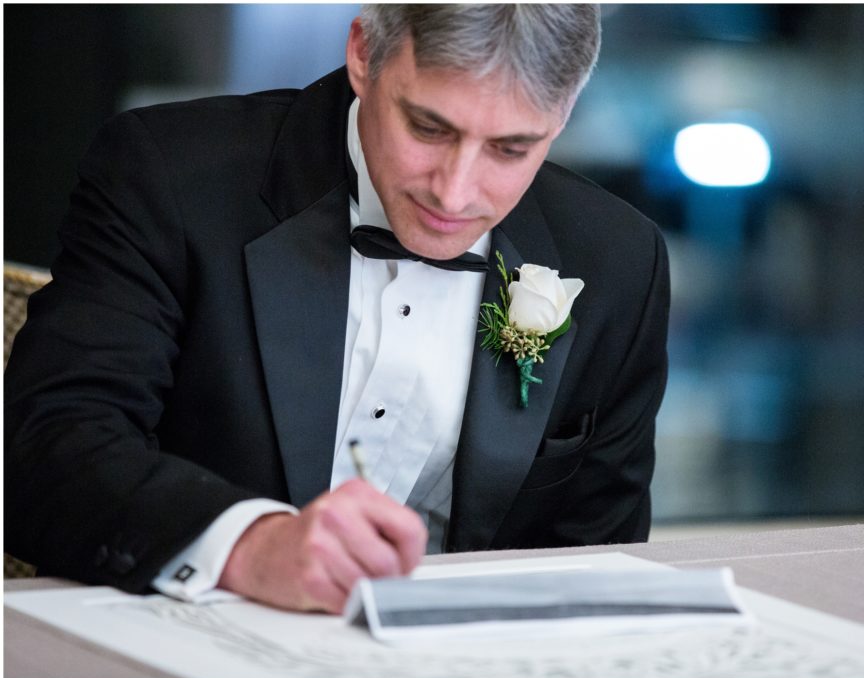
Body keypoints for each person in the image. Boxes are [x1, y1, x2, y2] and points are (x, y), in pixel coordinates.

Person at [4, 4, 669, 613]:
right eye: (428, 127)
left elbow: (597, 559)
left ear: (566, 113)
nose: (456, 191)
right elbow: (45, 448)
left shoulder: (618, 261)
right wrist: (250, 546)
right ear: (362, 54)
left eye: (510, 149)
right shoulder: (170, 175)